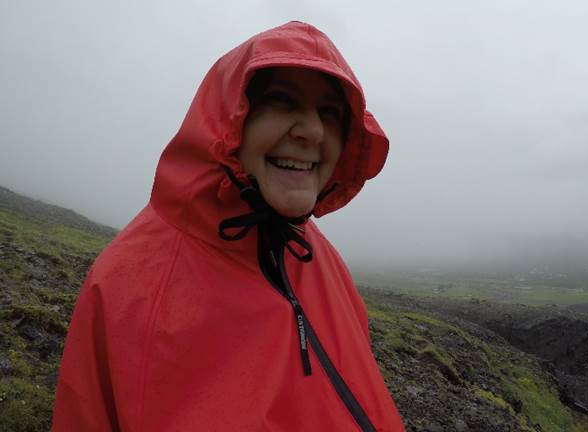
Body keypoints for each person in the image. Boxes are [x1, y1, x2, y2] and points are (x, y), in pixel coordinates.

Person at [52, 21, 404, 431]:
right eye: (281, 100)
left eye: (330, 112)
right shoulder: (125, 286)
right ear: (228, 122)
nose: (313, 131)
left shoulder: (318, 257)